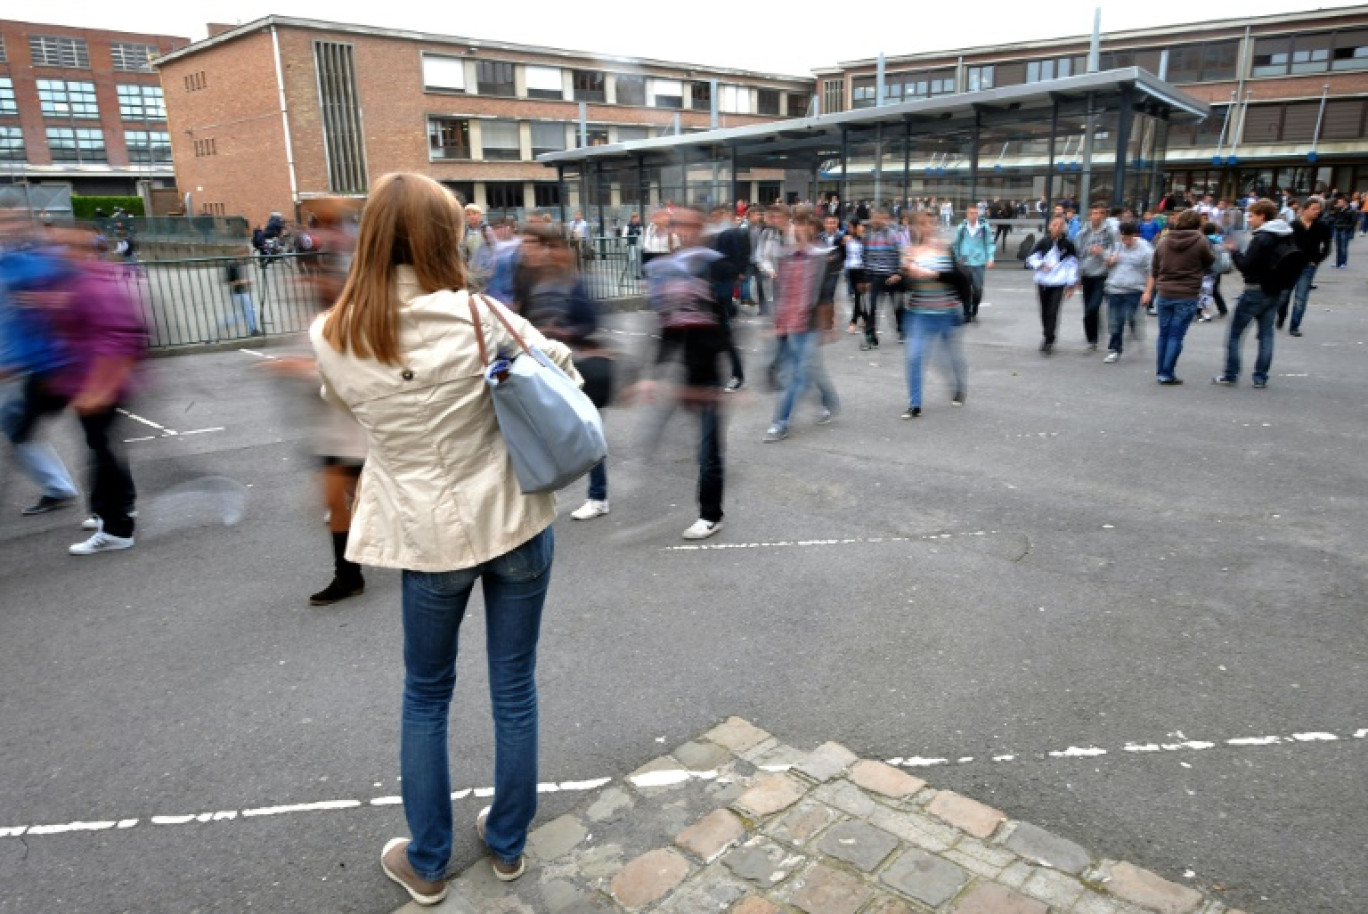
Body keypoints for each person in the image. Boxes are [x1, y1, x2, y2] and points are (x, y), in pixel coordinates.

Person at [311, 174, 581, 903]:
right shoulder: (479, 314)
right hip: (513, 516)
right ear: (443, 237)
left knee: (426, 695)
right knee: (513, 685)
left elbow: (344, 406)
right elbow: (562, 372)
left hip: (423, 533)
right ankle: (508, 842)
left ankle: (428, 860)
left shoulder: (334, 334)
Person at [509, 225, 613, 522]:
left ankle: (598, 496)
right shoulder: (527, 280)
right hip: (541, 368)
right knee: (537, 430)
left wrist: (561, 332)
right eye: (524, 244)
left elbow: (591, 323)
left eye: (532, 244)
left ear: (547, 247)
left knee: (585, 432)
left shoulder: (571, 282)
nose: (526, 250)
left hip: (575, 365)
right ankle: (540, 493)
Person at [638, 207, 728, 540]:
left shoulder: (712, 264)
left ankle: (710, 514)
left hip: (707, 372)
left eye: (689, 226)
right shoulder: (673, 267)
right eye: (678, 226)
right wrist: (654, 373)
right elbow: (670, 325)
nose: (682, 232)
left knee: (708, 450)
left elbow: (724, 323)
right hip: (684, 371)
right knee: (662, 437)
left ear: (701, 228)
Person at [764, 211, 841, 442]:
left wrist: (828, 325)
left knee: (797, 375)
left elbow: (827, 292)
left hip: (809, 324)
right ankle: (830, 401)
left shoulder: (825, 256)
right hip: (789, 322)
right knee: (810, 369)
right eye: (796, 223)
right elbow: (781, 291)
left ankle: (780, 422)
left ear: (813, 228)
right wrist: (777, 321)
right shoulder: (786, 256)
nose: (799, 228)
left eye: (804, 224)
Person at [1212, 199, 1298, 389]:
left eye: (1251, 216)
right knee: (1266, 335)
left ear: (1262, 216)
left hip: (1254, 290)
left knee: (1235, 334)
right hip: (1275, 289)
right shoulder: (1286, 234)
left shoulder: (1262, 238)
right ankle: (1260, 377)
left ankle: (1231, 374)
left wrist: (1234, 252)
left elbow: (1245, 266)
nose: (1249, 220)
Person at [899, 210, 968, 418]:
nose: (925, 227)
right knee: (914, 356)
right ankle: (915, 403)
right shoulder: (909, 251)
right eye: (921, 223)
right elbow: (903, 286)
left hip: (945, 311)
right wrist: (905, 273)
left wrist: (932, 274)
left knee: (946, 357)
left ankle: (958, 385)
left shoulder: (944, 249)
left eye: (929, 223)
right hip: (919, 313)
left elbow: (959, 279)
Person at [1144, 208, 1213, 385]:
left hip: (1165, 292)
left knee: (1164, 335)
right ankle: (1167, 372)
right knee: (1176, 335)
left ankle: (1161, 371)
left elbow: (1155, 268)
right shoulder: (1200, 241)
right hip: (1187, 293)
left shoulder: (1163, 241)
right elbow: (1209, 261)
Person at [707, 207, 751, 393]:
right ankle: (716, 376)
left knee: (722, 333)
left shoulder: (732, 233)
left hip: (720, 285)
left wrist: (738, 272)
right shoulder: (711, 235)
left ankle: (736, 374)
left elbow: (739, 256)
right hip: (711, 286)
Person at [1279, 196, 1332, 337]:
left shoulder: (1322, 227)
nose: (1317, 212)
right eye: (1314, 209)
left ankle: (1294, 326)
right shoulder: (1292, 225)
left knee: (1301, 298)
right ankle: (1280, 316)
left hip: (1308, 266)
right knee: (1283, 296)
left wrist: (1317, 260)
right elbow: (1283, 244)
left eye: (1319, 210)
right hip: (1290, 266)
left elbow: (1327, 247)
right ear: (1304, 210)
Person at [1026, 216, 1079, 354]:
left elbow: (1072, 264)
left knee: (1053, 311)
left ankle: (1049, 339)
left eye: (1060, 225)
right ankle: (1047, 333)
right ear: (1050, 226)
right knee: (1044, 311)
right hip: (1043, 282)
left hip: (1058, 283)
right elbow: (1030, 259)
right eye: (1055, 225)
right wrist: (1041, 264)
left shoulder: (1067, 244)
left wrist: (1071, 284)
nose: (1057, 228)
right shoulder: (1043, 242)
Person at [1101, 222, 1152, 363]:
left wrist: (1147, 292)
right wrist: (1110, 261)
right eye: (1123, 238)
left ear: (1135, 236)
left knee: (1130, 315)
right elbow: (1106, 263)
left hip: (1134, 289)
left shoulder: (1145, 250)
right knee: (1115, 320)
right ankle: (1115, 349)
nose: (1125, 241)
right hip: (1115, 288)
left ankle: (1135, 330)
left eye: (1128, 238)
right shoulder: (1117, 246)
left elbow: (1151, 272)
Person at [1074, 203, 1119, 349]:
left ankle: (1098, 335)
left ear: (1104, 215)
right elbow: (1078, 254)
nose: (1096, 216)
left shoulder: (1109, 232)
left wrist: (1104, 253)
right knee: (1088, 310)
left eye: (1100, 213)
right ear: (1090, 215)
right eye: (1094, 213)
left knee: (1094, 306)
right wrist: (1077, 275)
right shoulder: (1083, 233)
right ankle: (1092, 338)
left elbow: (1116, 251)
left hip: (1102, 274)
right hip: (1087, 274)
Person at [860, 209, 904, 350]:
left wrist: (898, 273)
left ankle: (902, 330)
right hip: (874, 275)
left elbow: (901, 254)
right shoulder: (868, 235)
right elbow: (864, 255)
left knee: (897, 306)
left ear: (885, 218)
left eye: (880, 217)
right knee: (872, 307)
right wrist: (865, 277)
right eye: (874, 217)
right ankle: (871, 337)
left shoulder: (893, 234)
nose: (877, 220)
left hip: (892, 276)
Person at [950, 205, 994, 323]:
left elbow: (989, 243)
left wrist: (990, 258)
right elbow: (956, 244)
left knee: (978, 289)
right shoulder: (962, 228)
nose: (973, 215)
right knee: (965, 289)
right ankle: (966, 313)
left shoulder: (984, 228)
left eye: (975, 213)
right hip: (965, 262)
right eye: (971, 213)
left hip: (979, 262)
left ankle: (974, 307)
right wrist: (958, 257)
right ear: (967, 214)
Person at [1329, 196, 1356, 268]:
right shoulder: (1338, 210)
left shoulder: (1350, 211)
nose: (1338, 203)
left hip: (1344, 230)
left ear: (1345, 202)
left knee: (1343, 247)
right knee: (1338, 247)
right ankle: (1337, 261)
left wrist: (1347, 228)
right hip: (1337, 229)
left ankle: (1343, 262)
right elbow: (1333, 217)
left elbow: (1353, 222)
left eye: (1340, 202)